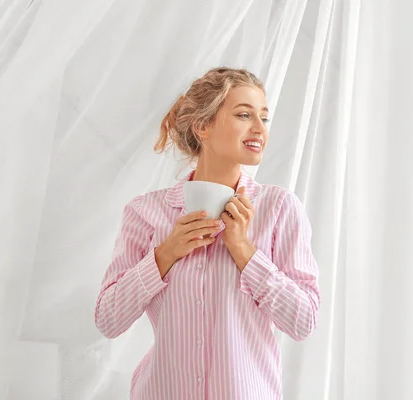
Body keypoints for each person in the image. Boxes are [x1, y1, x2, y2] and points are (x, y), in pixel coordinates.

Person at [94, 67, 320, 400]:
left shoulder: (279, 208)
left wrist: (244, 251)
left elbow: (303, 321)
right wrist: (165, 254)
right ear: (204, 126)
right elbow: (108, 320)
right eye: (244, 115)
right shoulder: (145, 213)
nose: (259, 129)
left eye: (264, 118)